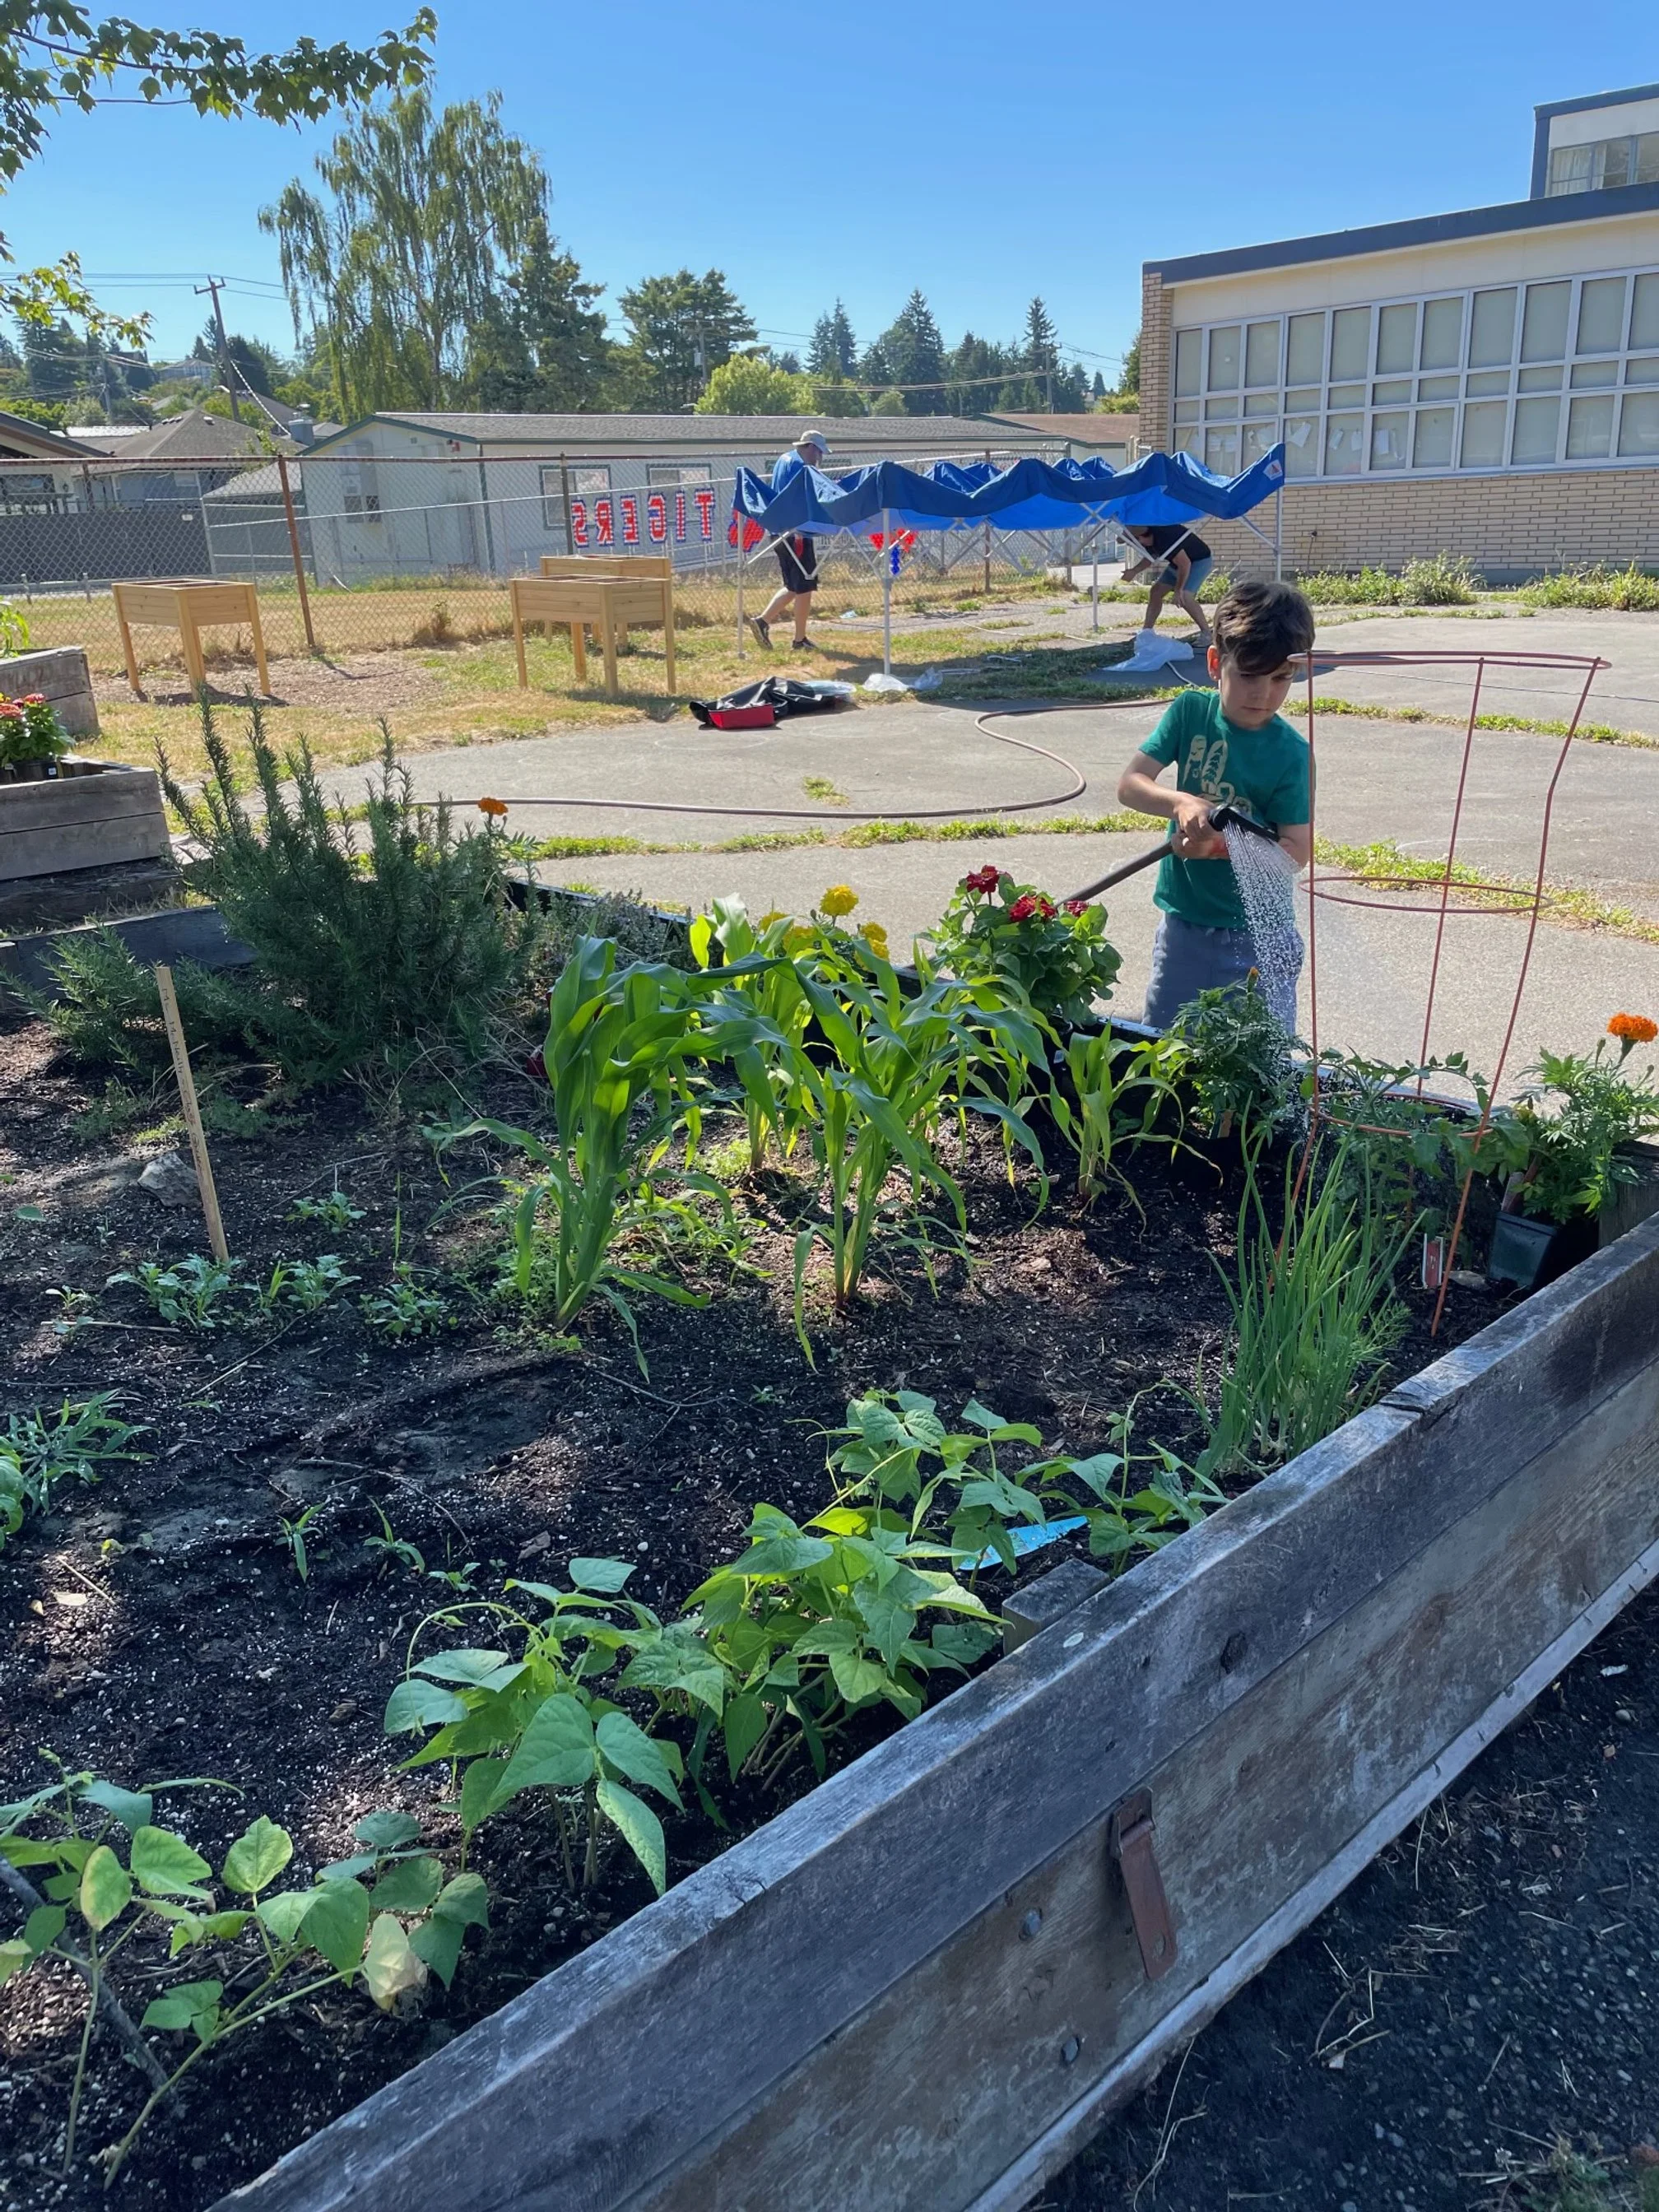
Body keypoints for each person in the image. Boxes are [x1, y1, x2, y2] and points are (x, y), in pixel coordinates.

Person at [1116, 578, 1316, 1032]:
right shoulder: (1189, 713)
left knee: (1257, 1066)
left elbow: (1296, 852)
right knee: (1166, 1049)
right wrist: (1182, 803)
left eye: (1281, 678)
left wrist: (1216, 847)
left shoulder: (1291, 753)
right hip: (1184, 927)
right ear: (1214, 663)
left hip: (1260, 939)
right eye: (1247, 674)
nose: (1263, 693)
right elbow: (1131, 784)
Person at [751, 429, 828, 652]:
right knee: (805, 584)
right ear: (811, 447)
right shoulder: (801, 467)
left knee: (794, 585)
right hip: (797, 532)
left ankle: (763, 622)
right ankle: (799, 639)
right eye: (819, 452)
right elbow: (807, 498)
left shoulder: (784, 460)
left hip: (779, 530)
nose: (820, 458)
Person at [1121, 521, 1215, 649]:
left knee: (1185, 596)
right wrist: (1134, 571)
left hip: (1198, 561)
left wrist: (1178, 589)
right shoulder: (1149, 538)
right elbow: (1150, 557)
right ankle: (1146, 632)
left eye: (1133, 543)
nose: (1134, 546)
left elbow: (1185, 564)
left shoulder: (1165, 537)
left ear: (1141, 537)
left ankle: (1207, 634)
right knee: (1156, 592)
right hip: (1178, 564)